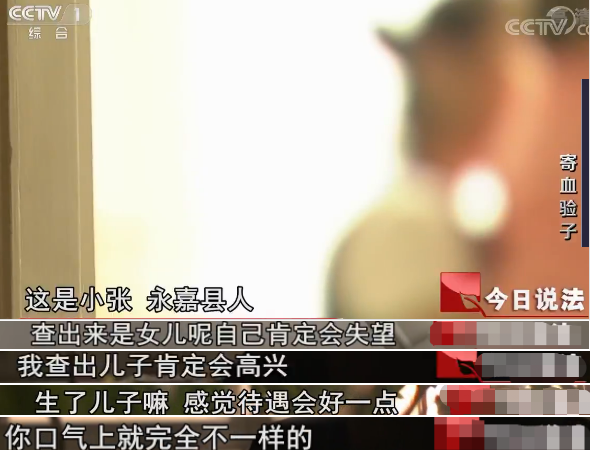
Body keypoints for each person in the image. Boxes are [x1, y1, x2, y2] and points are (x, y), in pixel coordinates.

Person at [327, 0, 589, 320]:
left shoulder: (442, 223)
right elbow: (453, 345)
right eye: (508, 61)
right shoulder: (411, 225)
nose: (523, 83)